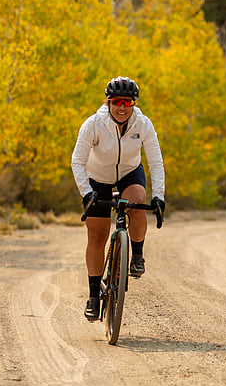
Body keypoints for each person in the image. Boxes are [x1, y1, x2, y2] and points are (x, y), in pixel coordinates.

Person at [71, 75, 166, 322]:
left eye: (127, 103)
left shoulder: (143, 124)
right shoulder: (93, 124)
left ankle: (136, 254)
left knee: (138, 201)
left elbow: (155, 161)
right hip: (97, 178)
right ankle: (93, 296)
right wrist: (87, 193)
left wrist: (159, 196)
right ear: (108, 102)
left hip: (128, 173)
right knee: (97, 235)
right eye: (117, 102)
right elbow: (77, 162)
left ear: (133, 104)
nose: (122, 108)